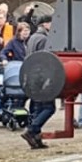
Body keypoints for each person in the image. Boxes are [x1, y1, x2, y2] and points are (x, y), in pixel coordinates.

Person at [22, 15, 54, 149]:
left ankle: (36, 139)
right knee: (49, 108)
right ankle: (32, 130)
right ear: (45, 24)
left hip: (31, 75)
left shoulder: (33, 37)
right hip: (41, 77)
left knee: (37, 108)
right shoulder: (44, 39)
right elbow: (44, 59)